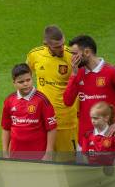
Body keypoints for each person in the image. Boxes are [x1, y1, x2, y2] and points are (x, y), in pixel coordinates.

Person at [26, 25, 78, 159]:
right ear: (46, 44)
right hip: (42, 120)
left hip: (67, 120)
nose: (61, 49)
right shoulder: (35, 55)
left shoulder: (72, 56)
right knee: (44, 163)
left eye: (62, 44)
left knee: (69, 164)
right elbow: (25, 76)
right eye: (57, 46)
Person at [63, 35, 115, 147]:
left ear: (87, 52)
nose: (71, 58)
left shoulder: (112, 73)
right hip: (84, 141)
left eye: (74, 54)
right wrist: (73, 75)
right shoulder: (78, 73)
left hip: (110, 140)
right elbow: (67, 101)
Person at [1, 64, 57, 160]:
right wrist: (5, 152)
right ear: (14, 83)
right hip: (15, 155)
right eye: (21, 81)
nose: (26, 84)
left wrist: (48, 153)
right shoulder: (9, 100)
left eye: (28, 80)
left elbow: (51, 128)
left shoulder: (42, 100)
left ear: (32, 78)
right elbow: (6, 128)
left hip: (38, 155)